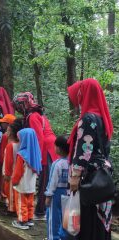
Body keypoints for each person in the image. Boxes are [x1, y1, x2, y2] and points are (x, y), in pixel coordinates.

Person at [67, 79, 114, 240]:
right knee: (98, 220)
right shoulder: (102, 117)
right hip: (101, 177)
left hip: (88, 178)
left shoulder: (87, 119)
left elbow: (84, 151)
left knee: (86, 219)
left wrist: (75, 176)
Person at [13, 92, 58, 220]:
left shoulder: (32, 117)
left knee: (44, 180)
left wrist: (34, 159)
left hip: (45, 149)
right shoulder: (35, 114)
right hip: (46, 147)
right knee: (44, 179)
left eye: (18, 106)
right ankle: (40, 210)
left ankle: (40, 211)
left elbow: (38, 138)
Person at [11, 128, 42, 230]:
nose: (19, 141)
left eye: (20, 139)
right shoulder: (36, 153)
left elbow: (18, 171)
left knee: (21, 202)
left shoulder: (22, 154)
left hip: (22, 183)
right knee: (30, 202)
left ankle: (22, 221)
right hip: (31, 183)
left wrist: (14, 181)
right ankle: (29, 219)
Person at [45, 135, 70, 240]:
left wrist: (48, 195)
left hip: (56, 193)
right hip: (67, 192)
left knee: (53, 217)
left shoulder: (57, 164)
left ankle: (53, 237)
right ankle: (63, 237)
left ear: (58, 148)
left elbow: (53, 181)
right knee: (65, 217)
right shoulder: (71, 163)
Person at [3, 118, 24, 214]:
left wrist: (6, 174)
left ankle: (12, 209)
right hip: (18, 172)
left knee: (10, 191)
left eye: (7, 130)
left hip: (11, 173)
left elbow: (9, 161)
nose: (6, 132)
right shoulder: (20, 144)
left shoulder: (10, 146)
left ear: (11, 133)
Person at [0, 114, 16, 201]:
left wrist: (0, 161)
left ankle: (3, 194)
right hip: (14, 162)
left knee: (3, 179)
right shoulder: (17, 136)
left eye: (3, 122)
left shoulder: (5, 136)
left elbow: (3, 149)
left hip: (5, 161)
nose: (2, 124)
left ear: (8, 124)